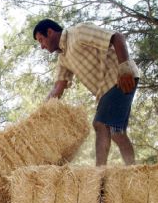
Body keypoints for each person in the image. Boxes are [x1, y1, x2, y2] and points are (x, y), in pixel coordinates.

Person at [33, 19, 139, 166]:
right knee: (117, 133)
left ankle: (99, 177)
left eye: (41, 40)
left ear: (50, 32)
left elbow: (117, 37)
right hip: (105, 90)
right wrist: (40, 113)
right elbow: (58, 88)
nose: (42, 46)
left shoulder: (78, 32)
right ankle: (133, 170)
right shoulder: (63, 59)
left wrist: (124, 69)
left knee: (100, 124)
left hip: (120, 77)